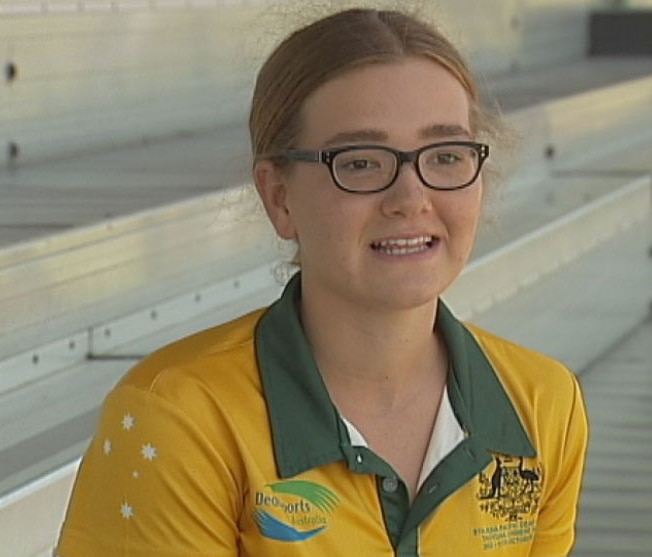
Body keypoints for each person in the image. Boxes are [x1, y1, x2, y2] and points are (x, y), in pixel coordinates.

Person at [56, 6, 588, 557]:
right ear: (279, 197)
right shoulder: (177, 418)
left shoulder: (543, 404)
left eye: (446, 156)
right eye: (360, 163)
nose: (411, 199)